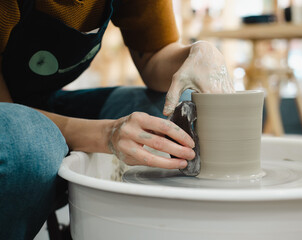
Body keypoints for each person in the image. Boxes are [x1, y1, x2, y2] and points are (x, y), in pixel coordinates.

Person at [0, 0, 234, 239]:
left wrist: (194, 53)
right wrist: (106, 134)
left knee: (182, 110)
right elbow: (8, 113)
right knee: (27, 144)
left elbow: (154, 54)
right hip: (10, 120)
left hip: (42, 101)